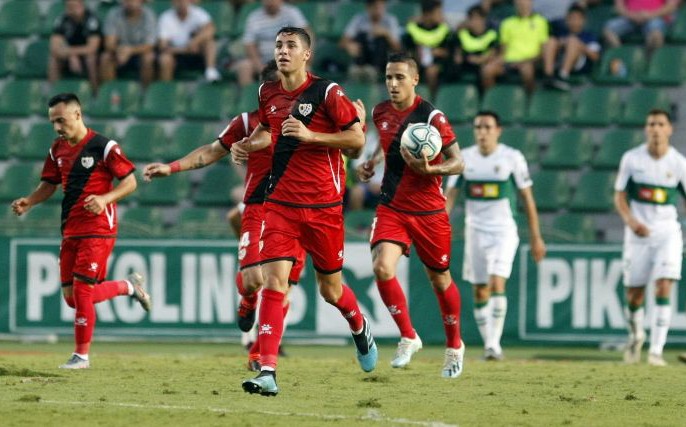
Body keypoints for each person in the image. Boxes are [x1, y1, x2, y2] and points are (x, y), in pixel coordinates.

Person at [231, 26, 377, 396]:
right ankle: (267, 371)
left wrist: (313, 137)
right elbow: (270, 131)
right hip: (280, 205)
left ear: (306, 54)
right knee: (274, 283)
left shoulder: (327, 92)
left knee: (331, 290)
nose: (283, 51)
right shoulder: (268, 91)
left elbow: (356, 139)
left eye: (290, 45)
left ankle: (359, 326)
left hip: (325, 209)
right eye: (279, 45)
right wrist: (248, 144)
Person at [143, 61, 303, 372]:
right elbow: (210, 151)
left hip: (298, 210)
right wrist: (171, 167)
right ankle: (247, 300)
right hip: (258, 207)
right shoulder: (245, 123)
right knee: (255, 280)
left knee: (283, 289)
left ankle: (259, 355)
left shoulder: (307, 121)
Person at [10, 93, 150, 369]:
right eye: (53, 121)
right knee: (72, 298)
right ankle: (128, 286)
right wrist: (30, 201)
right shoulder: (56, 149)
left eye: (60, 120)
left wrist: (104, 199)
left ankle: (81, 356)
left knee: (83, 291)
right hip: (70, 229)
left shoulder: (103, 146)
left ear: (77, 114)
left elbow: (130, 182)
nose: (57, 127)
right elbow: (48, 184)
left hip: (99, 228)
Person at [356, 52, 466, 377]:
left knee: (439, 279)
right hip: (392, 206)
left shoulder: (432, 117)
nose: (392, 83)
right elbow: (387, 141)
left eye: (399, 77)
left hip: (430, 211)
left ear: (415, 79)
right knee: (381, 266)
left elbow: (458, 162)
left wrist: (430, 168)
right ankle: (408, 335)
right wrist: (373, 162)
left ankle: (454, 346)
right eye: (388, 77)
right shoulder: (380, 112)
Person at [444, 111, 546, 360]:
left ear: (498, 130)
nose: (482, 132)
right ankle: (490, 344)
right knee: (480, 291)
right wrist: (438, 229)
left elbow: (527, 199)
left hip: (503, 231)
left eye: (488, 127)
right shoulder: (464, 158)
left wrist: (536, 237)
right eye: (478, 127)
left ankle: (493, 346)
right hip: (475, 231)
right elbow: (450, 199)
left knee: (496, 283)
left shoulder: (512, 158)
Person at [614, 108, 686, 367]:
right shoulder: (632, 160)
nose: (655, 128)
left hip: (667, 233)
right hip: (637, 236)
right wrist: (631, 222)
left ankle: (656, 351)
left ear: (669, 129)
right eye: (651, 124)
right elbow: (619, 196)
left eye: (660, 124)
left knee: (663, 286)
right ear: (646, 129)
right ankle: (636, 335)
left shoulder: (678, 163)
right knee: (634, 294)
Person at [234, 0, 308, 87]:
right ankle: (248, 98)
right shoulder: (254, 17)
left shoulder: (291, 12)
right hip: (262, 60)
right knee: (244, 66)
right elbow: (249, 44)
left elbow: (305, 35)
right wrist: (260, 67)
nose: (270, 2)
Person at [481, 0, 549, 93]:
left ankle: (530, 99)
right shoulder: (507, 23)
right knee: (487, 70)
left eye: (525, 2)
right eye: (519, 3)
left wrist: (528, 61)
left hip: (530, 61)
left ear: (531, 3)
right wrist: (497, 60)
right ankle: (492, 97)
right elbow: (503, 51)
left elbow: (543, 49)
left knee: (527, 70)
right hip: (509, 61)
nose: (523, 5)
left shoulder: (541, 21)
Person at [339, 0, 402, 83]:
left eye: (382, 7)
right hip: (362, 58)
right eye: (376, 7)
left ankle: (373, 69)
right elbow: (342, 42)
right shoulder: (360, 19)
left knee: (381, 40)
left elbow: (398, 48)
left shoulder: (390, 20)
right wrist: (349, 45)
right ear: (368, 8)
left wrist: (386, 34)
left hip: (382, 62)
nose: (379, 10)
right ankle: (359, 67)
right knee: (361, 36)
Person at [157, 0, 221, 82]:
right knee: (164, 59)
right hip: (177, 55)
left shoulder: (197, 12)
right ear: (173, 2)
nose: (182, 3)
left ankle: (211, 71)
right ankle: (167, 88)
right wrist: (185, 50)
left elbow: (211, 29)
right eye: (178, 1)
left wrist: (195, 41)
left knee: (209, 42)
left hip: (197, 54)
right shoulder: (166, 17)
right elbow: (163, 46)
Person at [542, 4, 601, 91]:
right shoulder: (561, 33)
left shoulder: (589, 36)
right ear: (566, 20)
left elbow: (596, 57)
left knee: (572, 41)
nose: (574, 22)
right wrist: (560, 44)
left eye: (577, 19)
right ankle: (548, 76)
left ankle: (563, 76)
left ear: (583, 20)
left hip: (580, 65)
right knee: (551, 41)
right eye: (571, 18)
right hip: (559, 61)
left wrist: (580, 46)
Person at [48, 0, 102, 93]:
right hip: (68, 56)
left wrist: (71, 53)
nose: (73, 10)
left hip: (86, 55)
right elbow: (54, 46)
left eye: (75, 6)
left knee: (91, 59)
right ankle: (54, 94)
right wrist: (71, 56)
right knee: (53, 59)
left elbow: (92, 48)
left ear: (82, 5)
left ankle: (95, 93)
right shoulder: (62, 20)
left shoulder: (91, 19)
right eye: (70, 7)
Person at [100, 0, 157, 87]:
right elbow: (109, 43)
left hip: (139, 53)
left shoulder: (149, 15)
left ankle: (145, 93)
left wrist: (129, 51)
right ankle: (111, 92)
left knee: (148, 58)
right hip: (119, 53)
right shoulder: (114, 13)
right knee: (106, 57)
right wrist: (119, 50)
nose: (130, 3)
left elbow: (150, 45)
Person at [402, 0, 453, 98]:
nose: (440, 15)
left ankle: (432, 99)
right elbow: (405, 49)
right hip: (417, 63)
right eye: (438, 12)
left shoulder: (445, 30)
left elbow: (450, 52)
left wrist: (439, 52)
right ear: (428, 14)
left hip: (440, 65)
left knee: (431, 71)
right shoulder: (412, 29)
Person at [603, 0, 680, 53]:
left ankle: (648, 63)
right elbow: (619, 7)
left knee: (656, 34)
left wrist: (649, 15)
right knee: (608, 29)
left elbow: (671, 7)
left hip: (655, 17)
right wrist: (632, 15)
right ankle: (620, 56)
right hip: (630, 17)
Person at [449, 5, 498, 87]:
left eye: (478, 19)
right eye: (472, 19)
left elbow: (492, 55)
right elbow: (458, 55)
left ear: (484, 19)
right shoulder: (462, 35)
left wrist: (478, 60)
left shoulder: (491, 35)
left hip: (482, 67)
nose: (475, 22)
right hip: (466, 66)